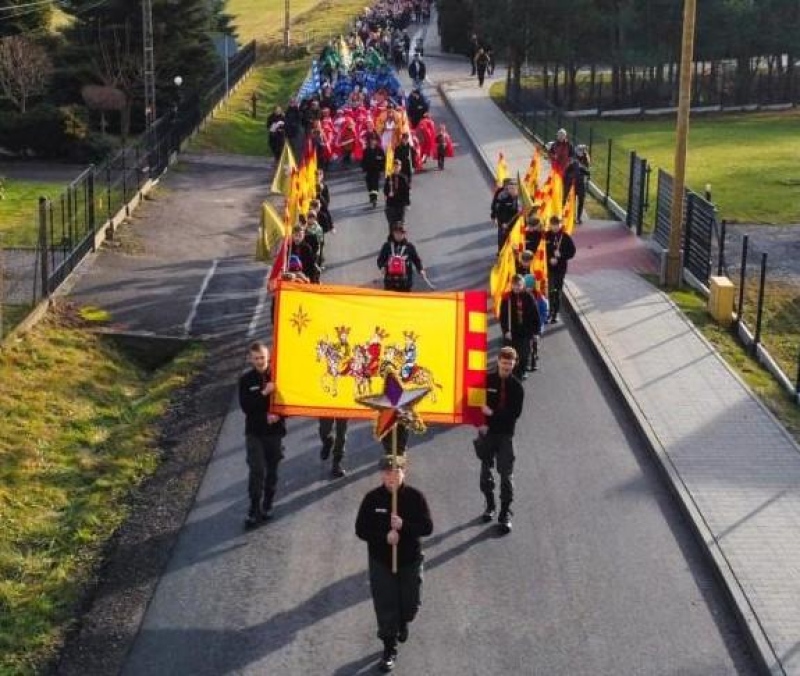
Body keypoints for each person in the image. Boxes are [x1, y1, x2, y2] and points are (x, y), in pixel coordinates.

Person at [355, 455, 433, 673]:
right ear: (381, 475)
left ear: (403, 473)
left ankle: (404, 621)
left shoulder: (415, 497)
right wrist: (384, 537)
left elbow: (427, 527)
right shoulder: (372, 499)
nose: (391, 477)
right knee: (385, 604)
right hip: (381, 561)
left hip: (409, 559)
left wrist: (404, 525)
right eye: (387, 473)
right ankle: (389, 648)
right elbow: (361, 529)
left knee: (410, 604)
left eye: (395, 473)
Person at [475, 346, 524, 534]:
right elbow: (474, 403)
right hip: (486, 433)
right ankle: (489, 506)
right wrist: (480, 423)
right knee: (485, 472)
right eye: (503, 363)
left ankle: (504, 513)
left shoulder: (517, 387)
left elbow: (514, 414)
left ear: (514, 364)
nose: (506, 367)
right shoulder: (486, 380)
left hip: (505, 435)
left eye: (509, 364)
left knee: (506, 475)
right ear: (498, 361)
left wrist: (492, 413)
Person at [238, 341, 287, 528]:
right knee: (257, 470)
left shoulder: (278, 376)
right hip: (255, 433)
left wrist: (279, 414)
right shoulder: (246, 380)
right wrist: (264, 393)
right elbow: (246, 406)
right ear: (250, 359)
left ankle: (268, 504)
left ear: (268, 357)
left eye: (262, 358)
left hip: (275, 433)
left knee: (272, 471)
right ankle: (253, 508)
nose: (259, 361)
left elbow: (288, 403)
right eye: (256, 358)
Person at [499, 275, 541, 381]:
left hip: (526, 331)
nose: (516, 287)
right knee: (510, 352)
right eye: (514, 285)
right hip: (512, 331)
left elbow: (535, 315)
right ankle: (511, 371)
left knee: (524, 353)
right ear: (511, 285)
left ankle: (522, 370)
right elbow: (503, 317)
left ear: (523, 285)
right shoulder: (507, 298)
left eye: (519, 285)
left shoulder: (529, 297)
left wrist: (536, 332)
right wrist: (505, 331)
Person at [377, 222, 430, 292]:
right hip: (390, 281)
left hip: (405, 281)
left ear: (404, 234)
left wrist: (420, 269)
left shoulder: (409, 247)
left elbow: (416, 259)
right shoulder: (387, 246)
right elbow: (380, 259)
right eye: (396, 233)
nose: (399, 235)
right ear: (393, 233)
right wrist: (382, 267)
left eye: (401, 233)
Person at [545, 216, 576, 323]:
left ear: (560, 224)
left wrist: (561, 255)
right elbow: (542, 250)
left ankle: (555, 313)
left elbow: (572, 252)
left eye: (557, 224)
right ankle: (549, 312)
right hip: (549, 268)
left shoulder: (566, 237)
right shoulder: (546, 236)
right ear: (550, 224)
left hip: (560, 269)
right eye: (553, 224)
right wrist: (549, 259)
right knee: (550, 290)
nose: (554, 227)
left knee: (557, 291)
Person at [490, 178, 520, 253]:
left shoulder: (521, 198)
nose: (511, 190)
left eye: (514, 188)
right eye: (510, 188)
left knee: (516, 242)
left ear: (517, 188)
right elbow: (498, 211)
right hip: (505, 223)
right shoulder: (502, 197)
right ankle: (501, 254)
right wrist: (501, 222)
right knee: (502, 241)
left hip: (517, 224)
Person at [384, 159, 411, 228]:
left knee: (401, 223)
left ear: (400, 167)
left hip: (401, 204)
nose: (396, 168)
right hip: (391, 203)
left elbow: (407, 191)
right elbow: (385, 189)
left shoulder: (404, 178)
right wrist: (388, 193)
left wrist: (408, 203)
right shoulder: (389, 177)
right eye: (394, 166)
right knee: (392, 224)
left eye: (397, 166)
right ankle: (392, 238)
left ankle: (401, 237)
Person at [362, 135, 386, 207]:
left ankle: (374, 199)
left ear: (376, 141)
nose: (373, 141)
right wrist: (364, 168)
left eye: (374, 140)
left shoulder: (379, 150)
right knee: (369, 184)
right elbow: (364, 160)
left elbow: (383, 159)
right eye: (372, 140)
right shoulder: (366, 150)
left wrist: (382, 167)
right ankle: (371, 196)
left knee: (375, 184)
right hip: (369, 170)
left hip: (376, 170)